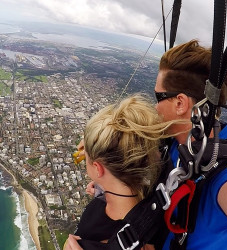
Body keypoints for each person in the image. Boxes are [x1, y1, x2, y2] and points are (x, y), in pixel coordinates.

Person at [154, 40, 227, 249]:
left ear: (180, 104)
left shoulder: (223, 164)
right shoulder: (176, 139)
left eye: (158, 96)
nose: (155, 105)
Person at [64, 94, 185, 249]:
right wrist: (103, 187)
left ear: (98, 168)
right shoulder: (151, 203)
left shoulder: (91, 241)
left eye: (87, 157)